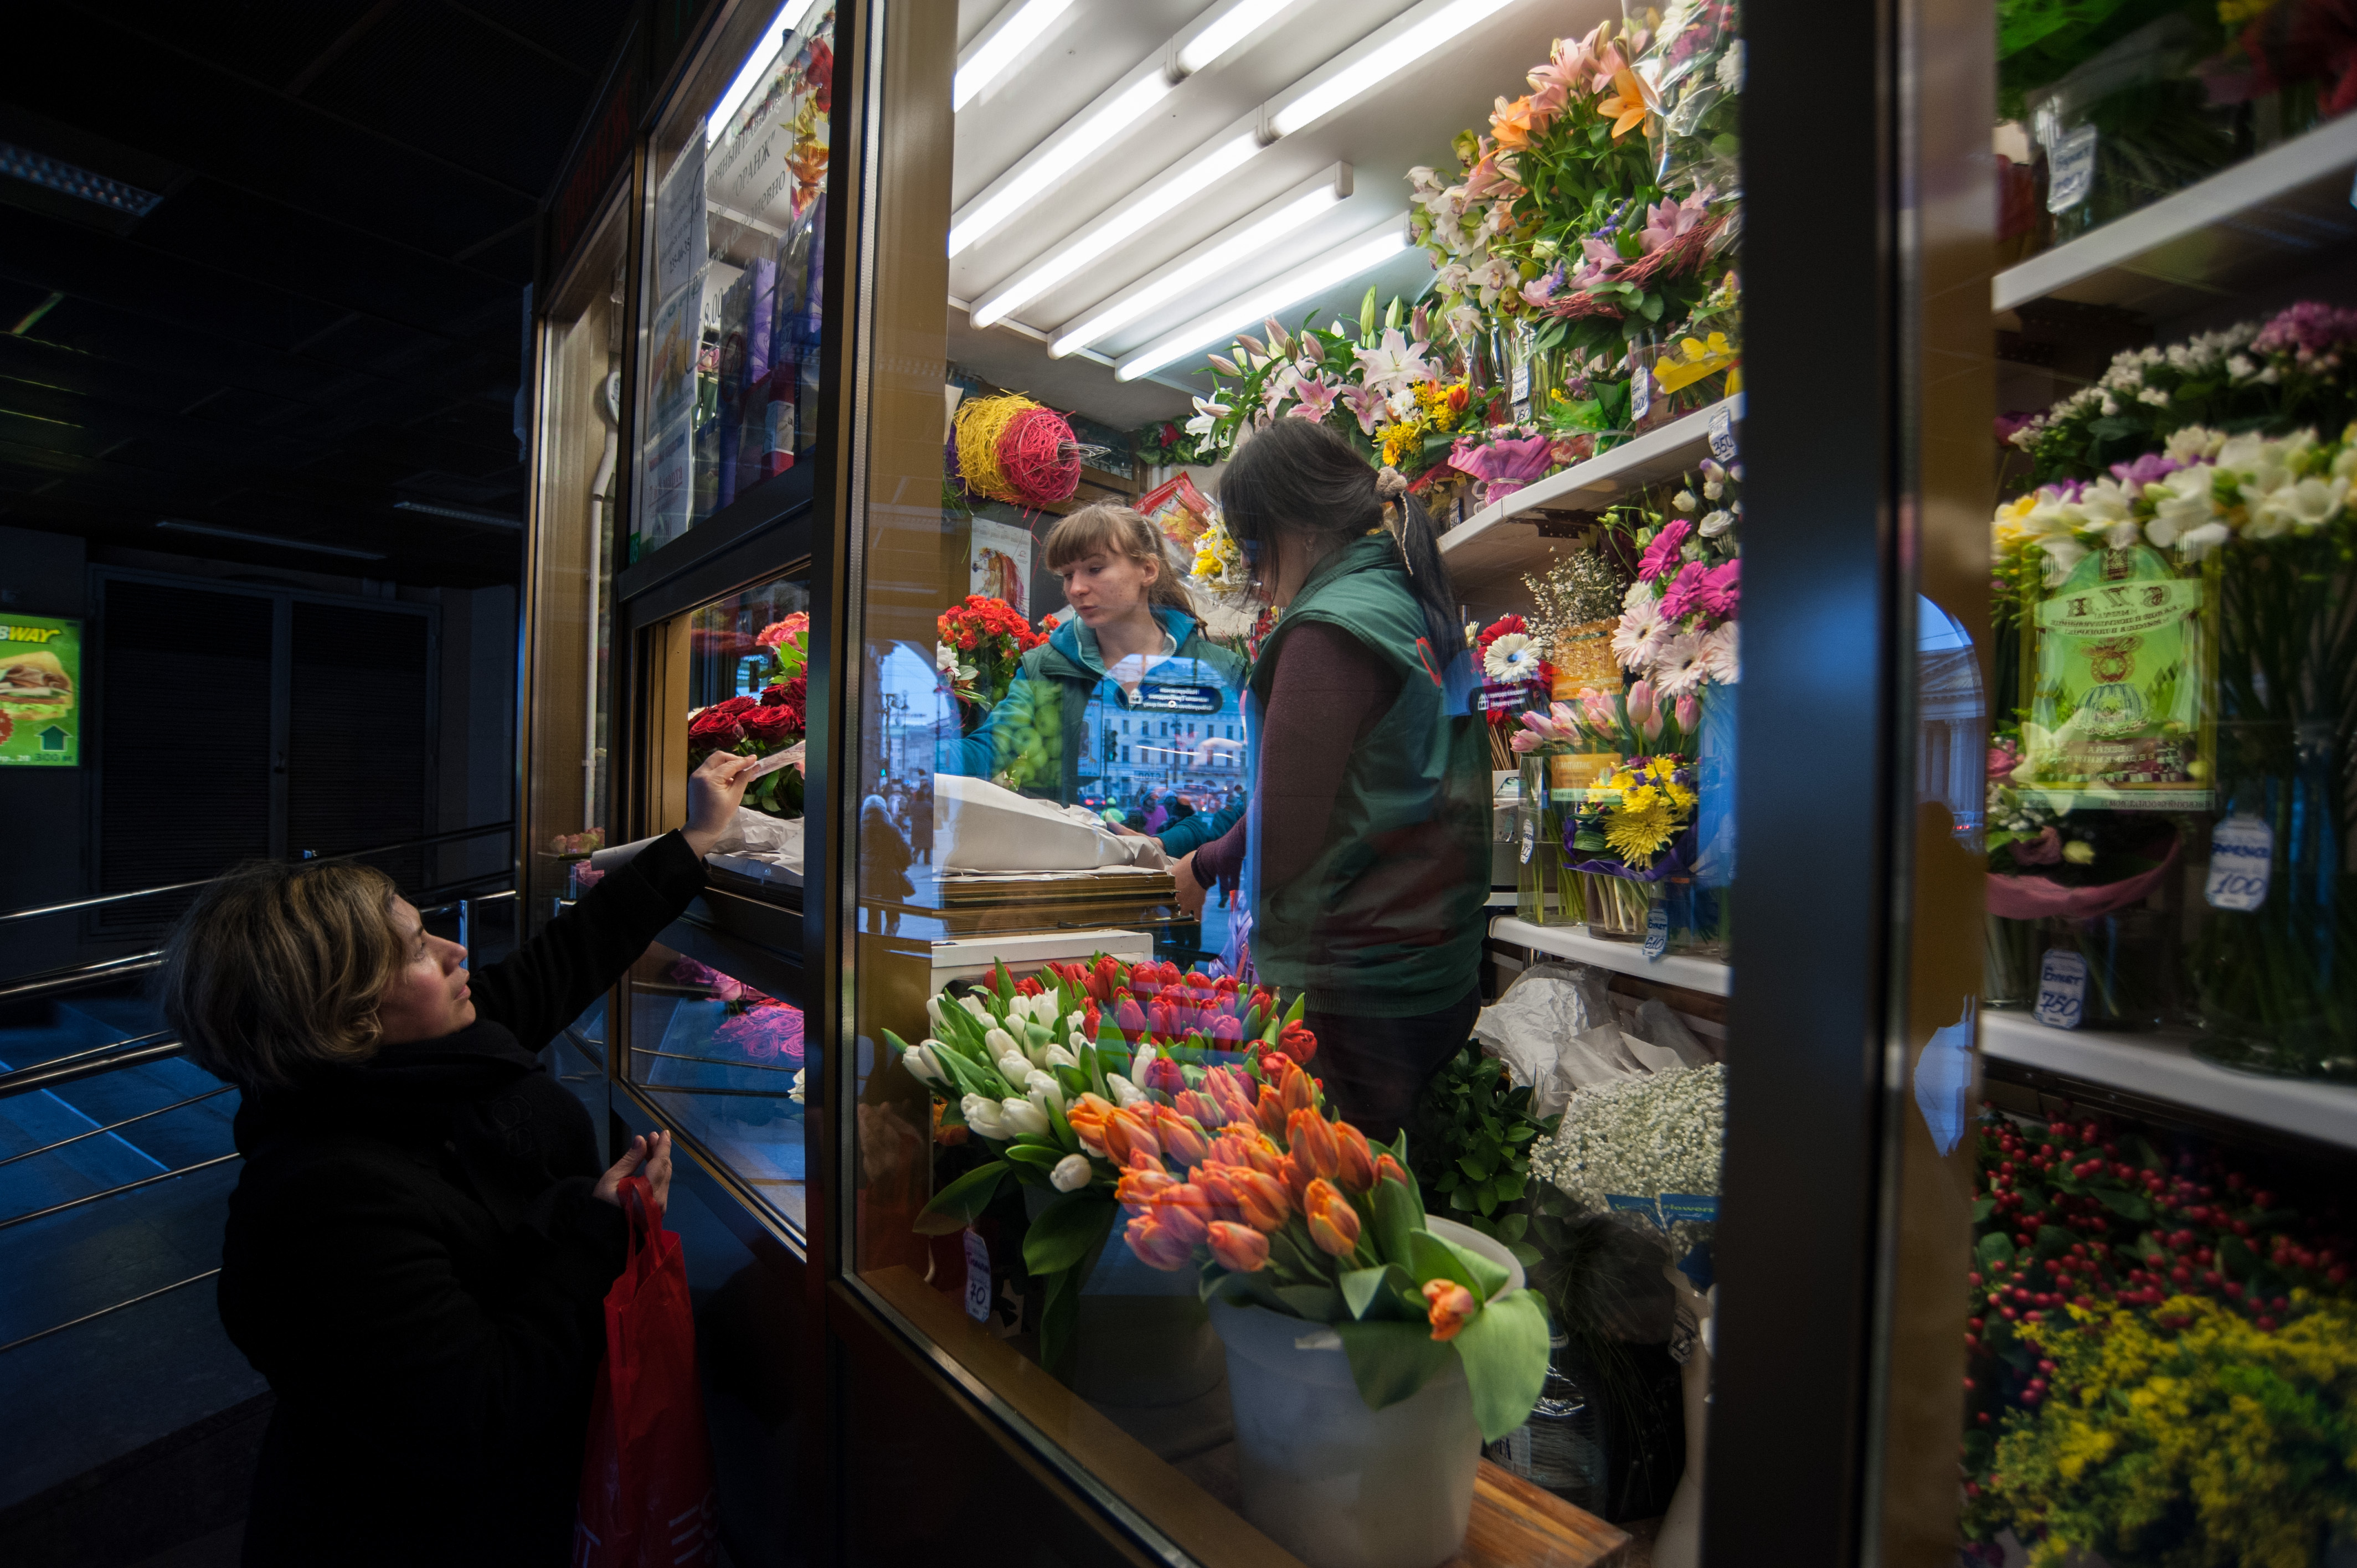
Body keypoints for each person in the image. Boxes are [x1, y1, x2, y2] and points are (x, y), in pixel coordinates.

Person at [168, 752, 759, 1567]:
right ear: (340, 1012)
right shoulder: (320, 1204)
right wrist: (597, 1232)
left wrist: (695, 839)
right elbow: (476, 1412)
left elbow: (564, 961)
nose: (455, 953)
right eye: (416, 949)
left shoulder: (427, 1063)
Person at [1175, 420, 1489, 1142]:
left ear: (1294, 527)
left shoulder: (1330, 631)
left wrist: (1205, 866)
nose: (1253, 570)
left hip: (1361, 991)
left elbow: (1286, 833)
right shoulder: (1408, 602)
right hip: (1432, 971)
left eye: (1250, 543)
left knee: (1338, 1224)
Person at [940, 503, 1244, 859]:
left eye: (1095, 569)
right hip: (1070, 878)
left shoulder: (1218, 671)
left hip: (1184, 881)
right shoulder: (1046, 669)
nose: (1077, 588)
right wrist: (902, 757)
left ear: (1147, 570)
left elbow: (1241, 796)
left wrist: (1166, 844)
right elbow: (989, 749)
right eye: (1068, 575)